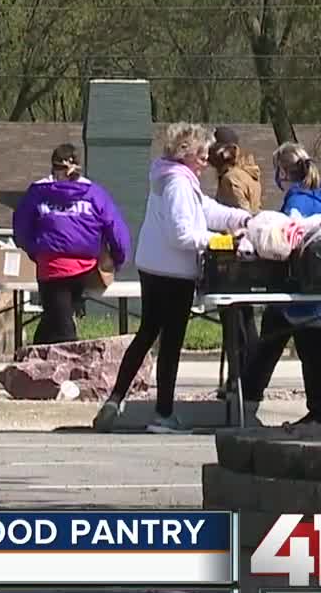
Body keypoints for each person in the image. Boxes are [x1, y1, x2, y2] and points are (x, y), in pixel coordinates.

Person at [95, 123, 252, 434]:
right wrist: (224, 242)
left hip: (153, 267)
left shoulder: (171, 178)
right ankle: (163, 414)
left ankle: (115, 399)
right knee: (170, 344)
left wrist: (241, 218)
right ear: (187, 153)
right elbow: (183, 234)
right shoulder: (179, 185)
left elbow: (205, 210)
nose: (208, 158)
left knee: (146, 335)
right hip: (174, 273)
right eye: (202, 153)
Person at [240, 142, 321, 424]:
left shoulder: (295, 201)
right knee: (317, 358)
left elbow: (284, 242)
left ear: (283, 171)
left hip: (293, 291)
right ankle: (319, 413)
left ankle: (246, 402)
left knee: (266, 348)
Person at [12, 143, 131, 344]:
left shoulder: (37, 193)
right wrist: (117, 260)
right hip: (85, 269)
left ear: (53, 166)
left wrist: (36, 252)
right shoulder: (94, 193)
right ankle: (33, 363)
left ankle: (60, 368)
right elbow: (116, 229)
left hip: (51, 268)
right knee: (55, 319)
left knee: (61, 325)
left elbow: (21, 230)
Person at [209, 127, 263, 399]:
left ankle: (238, 380)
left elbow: (236, 217)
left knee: (234, 322)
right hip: (249, 255)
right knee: (246, 318)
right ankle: (249, 378)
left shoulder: (230, 180)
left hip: (234, 257)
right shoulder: (248, 173)